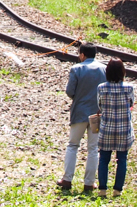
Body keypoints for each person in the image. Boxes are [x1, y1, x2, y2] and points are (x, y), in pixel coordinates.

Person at [57, 43, 107, 192]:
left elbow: (69, 91)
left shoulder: (76, 69)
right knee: (93, 148)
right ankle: (89, 183)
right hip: (97, 113)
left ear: (83, 54)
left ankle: (67, 179)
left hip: (79, 112)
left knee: (73, 145)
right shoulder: (104, 69)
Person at [97, 58, 135, 198]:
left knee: (104, 159)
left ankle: (102, 189)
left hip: (107, 127)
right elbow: (131, 103)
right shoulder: (129, 88)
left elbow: (99, 106)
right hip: (123, 128)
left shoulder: (101, 87)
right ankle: (117, 189)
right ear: (122, 72)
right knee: (122, 159)